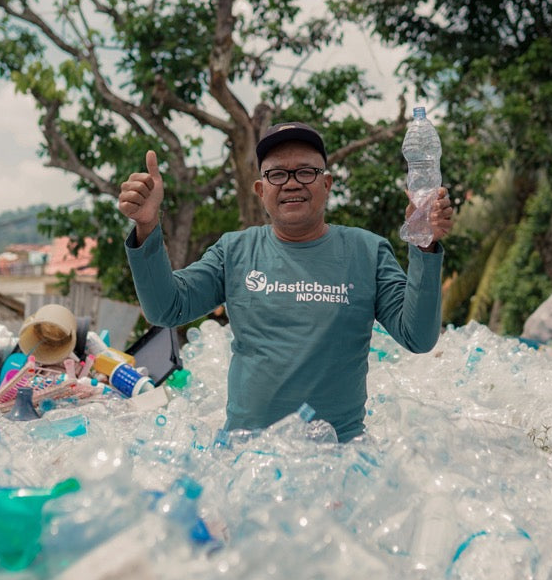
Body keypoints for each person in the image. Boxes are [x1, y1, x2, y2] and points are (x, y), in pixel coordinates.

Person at [118, 121, 454, 441]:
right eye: (277, 174)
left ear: (327, 184)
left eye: (306, 171)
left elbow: (418, 337)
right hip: (248, 456)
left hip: (339, 460)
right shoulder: (233, 251)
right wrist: (147, 227)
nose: (292, 183)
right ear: (261, 191)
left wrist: (424, 245)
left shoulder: (368, 251)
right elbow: (166, 309)